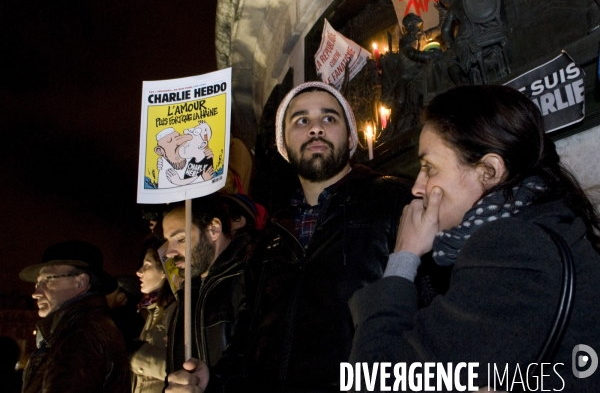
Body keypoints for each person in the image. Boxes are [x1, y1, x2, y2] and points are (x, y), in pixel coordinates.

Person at [349, 85, 600, 392]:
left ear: (489, 170)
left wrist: (405, 254)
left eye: (429, 168)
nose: (418, 187)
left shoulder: (512, 248)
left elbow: (375, 381)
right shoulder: (541, 223)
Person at [166, 81, 413, 392]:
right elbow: (245, 348)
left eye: (329, 118)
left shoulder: (394, 200)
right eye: (301, 120)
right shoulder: (269, 241)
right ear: (283, 143)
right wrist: (211, 381)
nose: (315, 129)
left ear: (350, 135)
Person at [19, 240, 130, 393]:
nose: (35, 293)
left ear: (81, 282)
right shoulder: (81, 328)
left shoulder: (81, 336)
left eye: (47, 281)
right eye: (38, 284)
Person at [162, 195, 252, 375]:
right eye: (167, 241)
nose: (169, 252)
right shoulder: (186, 295)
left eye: (180, 239)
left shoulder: (249, 280)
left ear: (213, 229)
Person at [131, 243, 177, 393]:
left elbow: (178, 366)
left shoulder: (174, 310)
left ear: (164, 271)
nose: (139, 272)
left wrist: (135, 355)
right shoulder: (152, 311)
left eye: (147, 265)